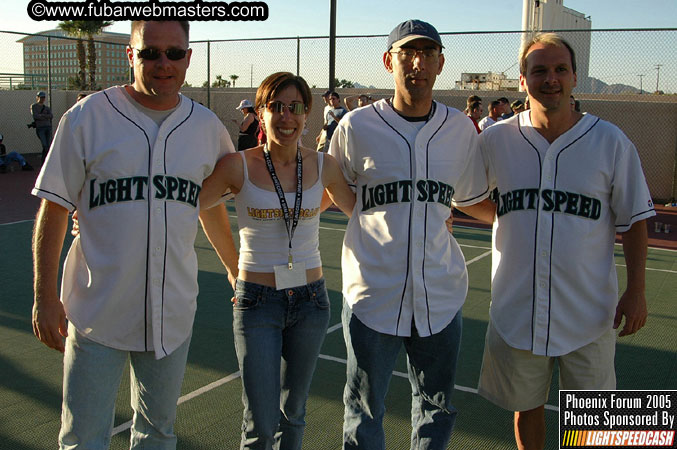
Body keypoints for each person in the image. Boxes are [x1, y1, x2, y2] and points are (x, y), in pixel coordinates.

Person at [31, 20, 237, 448]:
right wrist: (44, 296)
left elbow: (211, 205)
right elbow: (53, 209)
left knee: (158, 433)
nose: (163, 63)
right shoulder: (87, 118)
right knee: (84, 437)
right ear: (131, 54)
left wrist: (234, 268)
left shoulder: (206, 127)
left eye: (174, 53)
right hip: (96, 313)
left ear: (188, 58)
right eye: (149, 52)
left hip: (171, 313)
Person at [476, 33, 654, 450]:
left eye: (559, 70)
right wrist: (511, 217)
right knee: (527, 408)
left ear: (575, 77)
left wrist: (637, 290)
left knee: (595, 421)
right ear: (522, 80)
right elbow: (465, 195)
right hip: (518, 308)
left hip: (590, 313)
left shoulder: (610, 141)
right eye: (539, 70)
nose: (550, 79)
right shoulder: (496, 139)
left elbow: (637, 220)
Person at [329, 19, 491, 449]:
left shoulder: (459, 129)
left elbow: (470, 197)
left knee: (437, 407)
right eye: (407, 53)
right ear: (389, 61)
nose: (417, 63)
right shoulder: (357, 125)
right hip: (372, 294)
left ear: (440, 64)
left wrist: (521, 218)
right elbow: (333, 179)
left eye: (427, 53)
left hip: (439, 293)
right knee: (364, 409)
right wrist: (360, 213)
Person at [199, 72, 355, 449]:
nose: (286, 117)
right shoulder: (237, 165)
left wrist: (437, 213)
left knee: (294, 412)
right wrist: (233, 269)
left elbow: (364, 211)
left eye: (296, 108)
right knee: (260, 422)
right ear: (262, 112)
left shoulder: (325, 165)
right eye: (277, 107)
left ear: (307, 115)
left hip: (311, 302)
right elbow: (193, 207)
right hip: (257, 303)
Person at [30, 90, 53, 162]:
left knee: (48, 145)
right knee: (45, 145)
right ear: (37, 97)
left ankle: (45, 161)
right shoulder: (34, 106)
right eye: (41, 97)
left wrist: (42, 116)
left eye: (43, 97)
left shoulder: (46, 108)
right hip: (40, 128)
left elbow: (51, 116)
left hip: (48, 127)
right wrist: (45, 116)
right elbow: (36, 116)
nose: (42, 99)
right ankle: (44, 161)